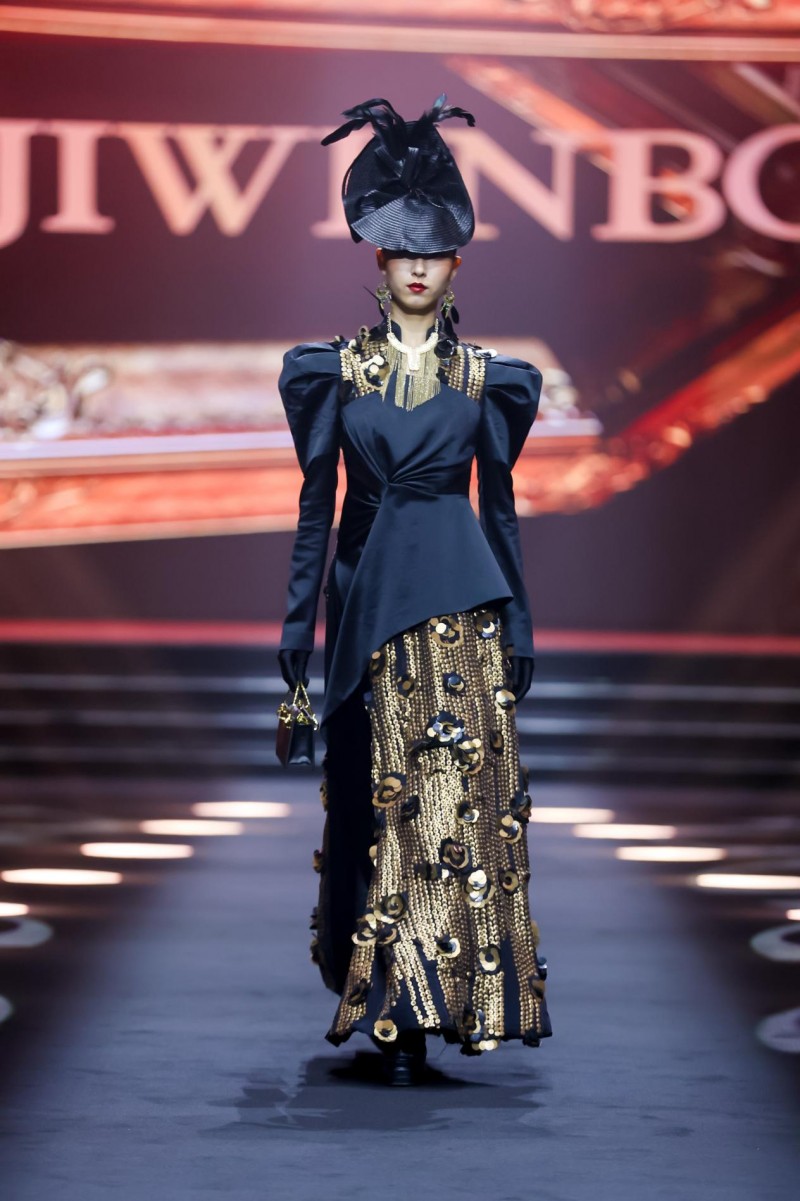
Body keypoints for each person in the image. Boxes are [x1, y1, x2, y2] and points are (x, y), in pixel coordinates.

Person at [278, 95, 552, 1086]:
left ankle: (419, 1012)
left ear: (456, 264)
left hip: (460, 615)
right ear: (380, 261)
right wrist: (294, 636)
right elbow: (316, 509)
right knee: (366, 806)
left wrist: (519, 622)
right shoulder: (330, 372)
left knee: (448, 814)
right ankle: (378, 995)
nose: (419, 268)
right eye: (403, 253)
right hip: (363, 608)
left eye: (434, 254)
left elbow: (502, 511)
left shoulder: (491, 379)